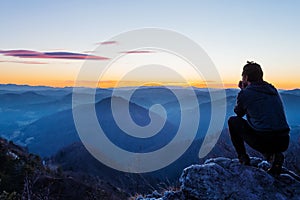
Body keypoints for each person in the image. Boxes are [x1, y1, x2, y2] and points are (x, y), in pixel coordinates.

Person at [228, 61, 290, 176]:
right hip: (284, 140)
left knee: (233, 121)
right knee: (264, 128)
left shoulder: (246, 93)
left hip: (266, 141)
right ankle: (273, 157)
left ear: (245, 77)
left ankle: (243, 158)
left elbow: (238, 113)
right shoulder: (272, 89)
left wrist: (243, 91)